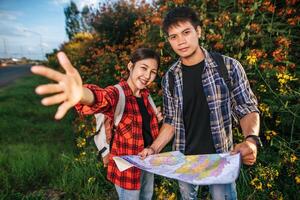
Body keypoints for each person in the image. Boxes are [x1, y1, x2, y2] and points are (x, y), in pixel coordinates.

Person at [139, 7, 261, 200]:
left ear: (198, 31)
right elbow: (171, 122)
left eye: (186, 32)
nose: (180, 41)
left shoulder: (228, 66)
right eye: (173, 37)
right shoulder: (170, 78)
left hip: (220, 159)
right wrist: (153, 149)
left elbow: (247, 108)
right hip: (184, 160)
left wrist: (251, 140)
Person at [31, 47, 163, 200]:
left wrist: (156, 119)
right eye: (144, 68)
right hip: (127, 170)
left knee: (147, 197)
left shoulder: (146, 96)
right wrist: (81, 93)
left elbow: (144, 129)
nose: (147, 76)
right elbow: (101, 98)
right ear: (130, 66)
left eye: (153, 72)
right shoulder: (117, 93)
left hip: (148, 162)